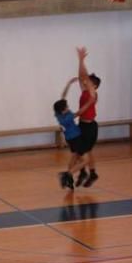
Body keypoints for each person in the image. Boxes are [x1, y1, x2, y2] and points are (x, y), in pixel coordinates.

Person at [73, 46, 102, 188]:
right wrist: (80, 61)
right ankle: (90, 172)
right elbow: (81, 77)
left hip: (90, 126)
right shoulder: (85, 90)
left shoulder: (93, 94)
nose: (85, 81)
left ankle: (87, 172)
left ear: (94, 86)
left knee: (82, 151)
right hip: (82, 125)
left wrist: (82, 61)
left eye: (89, 81)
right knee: (82, 151)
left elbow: (85, 77)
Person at [53, 98, 86, 190]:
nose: (68, 108)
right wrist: (88, 104)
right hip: (76, 138)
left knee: (74, 157)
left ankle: (69, 181)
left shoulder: (58, 115)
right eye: (66, 107)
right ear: (63, 110)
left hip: (70, 139)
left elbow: (62, 100)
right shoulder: (68, 117)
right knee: (86, 160)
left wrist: (68, 85)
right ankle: (67, 175)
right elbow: (78, 113)